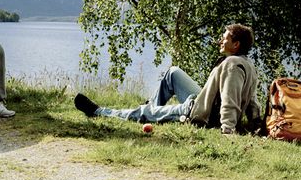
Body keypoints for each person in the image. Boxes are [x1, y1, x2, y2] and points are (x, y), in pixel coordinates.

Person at [74, 23, 261, 134]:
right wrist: (255, 124)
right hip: (201, 102)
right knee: (173, 72)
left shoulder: (232, 65)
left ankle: (99, 112)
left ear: (236, 44)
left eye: (225, 38)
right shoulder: (246, 64)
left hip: (197, 113)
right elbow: (252, 101)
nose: (221, 40)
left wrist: (227, 130)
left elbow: (230, 100)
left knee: (143, 113)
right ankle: (151, 110)